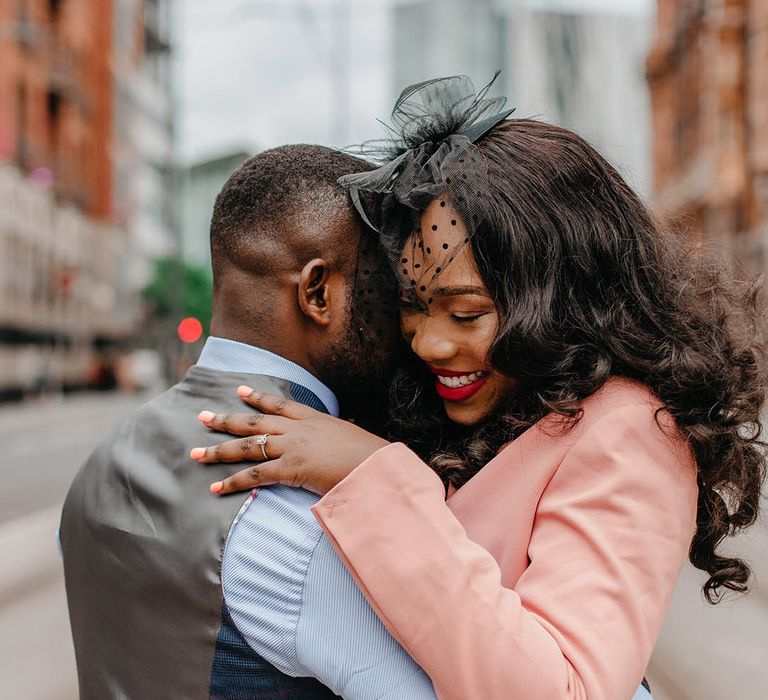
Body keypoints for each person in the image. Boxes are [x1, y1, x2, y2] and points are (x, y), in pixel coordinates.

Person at [192, 77, 767, 700]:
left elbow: (565, 690)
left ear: (559, 300)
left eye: (466, 314)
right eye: (411, 307)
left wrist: (372, 477)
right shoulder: (481, 406)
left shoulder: (627, 430)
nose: (429, 344)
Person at [59, 145, 438, 699]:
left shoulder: (100, 464)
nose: (406, 327)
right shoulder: (308, 519)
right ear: (316, 292)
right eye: (384, 291)